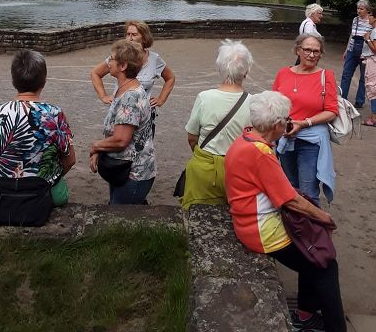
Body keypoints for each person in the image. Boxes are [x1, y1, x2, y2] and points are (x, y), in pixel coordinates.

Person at [225, 91, 347, 332]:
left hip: (246, 220)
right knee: (326, 265)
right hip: (260, 230)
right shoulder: (260, 154)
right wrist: (325, 218)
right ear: (277, 124)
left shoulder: (245, 139)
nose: (289, 124)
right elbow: (290, 201)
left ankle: (305, 314)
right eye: (287, 120)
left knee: (312, 254)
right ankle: (334, 327)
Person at [0, 50, 75, 207]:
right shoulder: (54, 114)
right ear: (44, 81)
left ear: (13, 81)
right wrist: (46, 177)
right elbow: (70, 160)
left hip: (4, 192)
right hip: (43, 191)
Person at [181, 39, 252, 209]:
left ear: (220, 68)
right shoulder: (254, 102)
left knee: (199, 212)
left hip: (205, 168)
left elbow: (192, 137)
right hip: (238, 170)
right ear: (246, 71)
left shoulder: (204, 98)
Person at [272, 34, 338, 205]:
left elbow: (332, 111)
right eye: (307, 50)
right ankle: (294, 220)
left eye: (316, 51)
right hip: (286, 138)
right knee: (289, 186)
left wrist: (303, 123)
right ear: (297, 51)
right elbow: (273, 104)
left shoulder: (326, 76)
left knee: (308, 191)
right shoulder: (283, 73)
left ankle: (313, 221)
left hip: (311, 140)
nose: (312, 55)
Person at [90, 39, 155, 204]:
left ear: (123, 66)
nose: (108, 62)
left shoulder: (130, 97)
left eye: (111, 59)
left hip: (133, 173)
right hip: (122, 169)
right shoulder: (125, 89)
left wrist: (95, 146)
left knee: (119, 216)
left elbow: (120, 140)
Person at [91, 20, 175, 135]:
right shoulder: (119, 57)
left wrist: (161, 99)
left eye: (134, 35)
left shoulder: (154, 59)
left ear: (144, 37)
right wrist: (103, 96)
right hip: (121, 111)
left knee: (140, 143)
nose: (130, 38)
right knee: (116, 141)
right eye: (128, 34)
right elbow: (95, 73)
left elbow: (170, 78)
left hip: (143, 115)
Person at [340, 0, 372, 109]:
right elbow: (352, 35)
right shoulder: (355, 19)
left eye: (361, 9)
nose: (359, 11)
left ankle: (359, 101)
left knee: (364, 77)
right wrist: (346, 50)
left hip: (365, 52)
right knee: (346, 74)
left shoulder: (371, 21)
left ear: (367, 10)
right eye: (358, 8)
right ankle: (342, 98)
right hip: (352, 50)